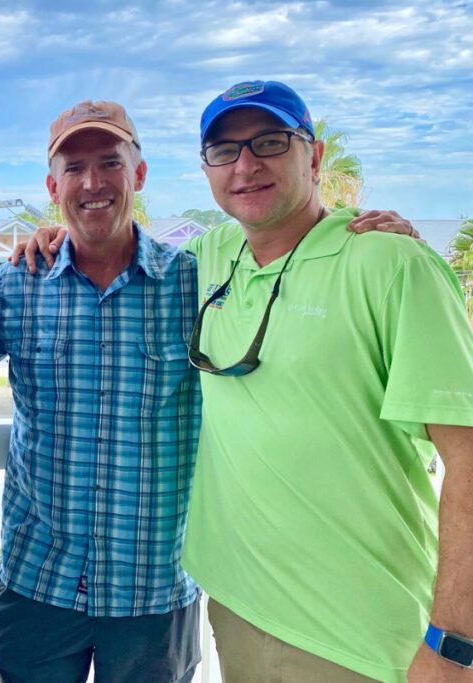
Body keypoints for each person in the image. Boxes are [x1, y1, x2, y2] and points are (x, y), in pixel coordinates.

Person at [176, 80, 473, 683]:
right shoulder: (211, 257)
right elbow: (113, 251)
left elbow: (467, 458)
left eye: (270, 142)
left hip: (364, 640)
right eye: (225, 150)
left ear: (313, 157)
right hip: (235, 609)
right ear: (206, 169)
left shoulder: (393, 265)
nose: (246, 164)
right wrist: (51, 242)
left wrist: (452, 644)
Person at [0, 101, 202, 683]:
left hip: (154, 585)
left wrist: (357, 231)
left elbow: (279, 264)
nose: (93, 182)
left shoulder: (194, 283)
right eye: (74, 168)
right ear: (54, 186)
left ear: (139, 174)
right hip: (40, 581)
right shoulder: (20, 282)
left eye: (110, 163)